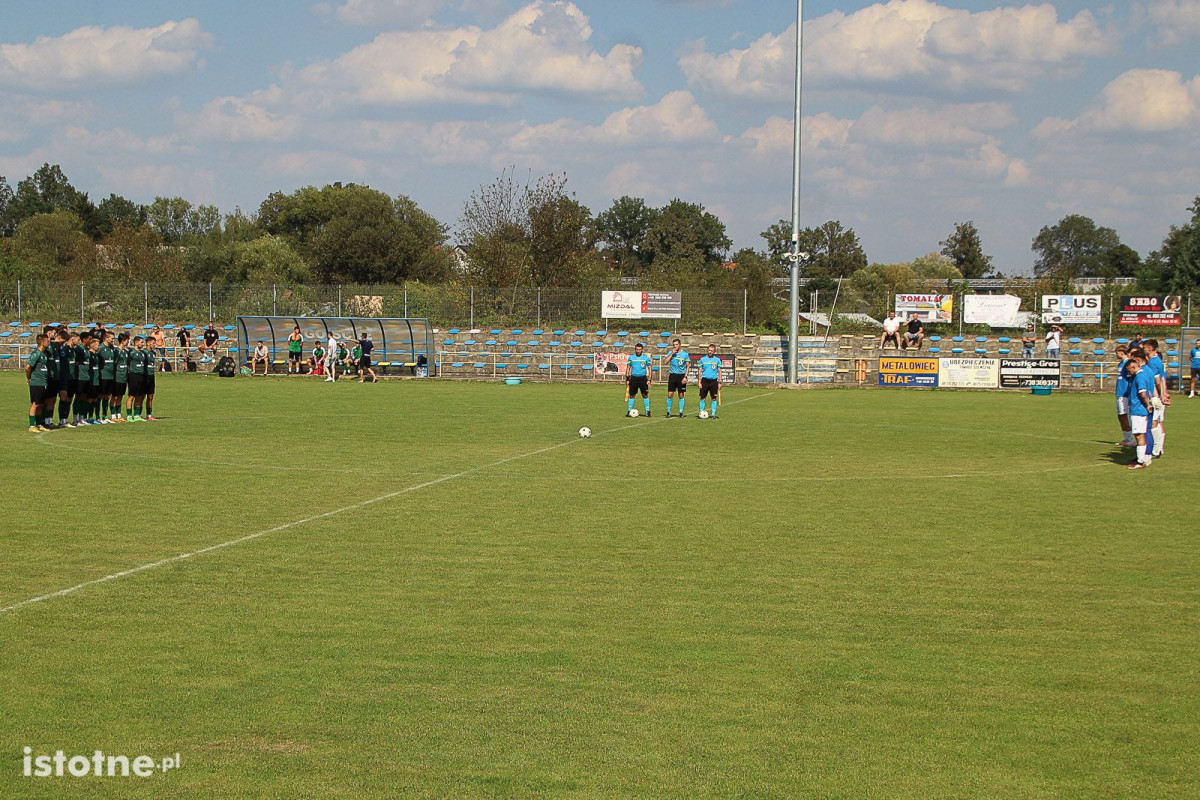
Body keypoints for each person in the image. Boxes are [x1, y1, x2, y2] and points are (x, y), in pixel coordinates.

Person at [1125, 349, 1156, 470]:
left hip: (1138, 409)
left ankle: (1140, 461)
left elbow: (1143, 393)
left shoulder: (1140, 376)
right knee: (1140, 434)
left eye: (1129, 370)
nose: (1129, 373)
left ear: (1134, 367)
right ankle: (1141, 459)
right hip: (1138, 409)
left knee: (1139, 435)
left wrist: (1147, 405)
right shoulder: (1142, 375)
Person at [1143, 339, 1168, 457]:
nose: (1143, 349)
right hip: (1158, 395)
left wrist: (1159, 396)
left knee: (1154, 423)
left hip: (1155, 396)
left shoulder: (1153, 362)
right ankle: (1159, 448)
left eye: (1145, 347)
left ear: (1150, 348)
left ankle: (1156, 449)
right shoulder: (1157, 360)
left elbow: (1157, 381)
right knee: (1158, 421)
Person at [26, 333, 51, 432]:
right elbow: (28, 367)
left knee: (41, 404)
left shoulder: (44, 354)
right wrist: (29, 378)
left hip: (43, 382)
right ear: (42, 342)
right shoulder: (36, 354)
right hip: (36, 383)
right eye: (47, 341)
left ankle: (39, 424)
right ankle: (31, 426)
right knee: (35, 404)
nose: (48, 342)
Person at [625, 342, 652, 417]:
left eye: (639, 349)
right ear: (635, 350)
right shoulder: (631, 357)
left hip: (643, 378)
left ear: (642, 350)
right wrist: (627, 378)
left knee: (645, 395)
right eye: (637, 349)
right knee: (632, 395)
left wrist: (649, 379)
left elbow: (650, 368)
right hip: (634, 378)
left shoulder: (646, 358)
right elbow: (628, 368)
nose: (638, 351)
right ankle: (629, 411)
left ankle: (648, 411)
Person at [1113, 345, 1133, 447]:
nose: (1116, 354)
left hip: (1125, 393)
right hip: (1120, 393)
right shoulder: (1121, 364)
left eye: (1117, 352)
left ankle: (1129, 439)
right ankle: (1126, 438)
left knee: (1124, 415)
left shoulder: (1128, 363)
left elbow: (1130, 379)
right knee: (1121, 416)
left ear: (1122, 352)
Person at [56, 329, 76, 428]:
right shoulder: (62, 349)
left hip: (69, 377)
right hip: (62, 377)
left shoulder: (71, 349)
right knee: (63, 398)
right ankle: (61, 420)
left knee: (68, 398)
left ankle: (65, 420)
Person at [664, 338, 689, 418]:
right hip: (672, 375)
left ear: (680, 345)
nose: (675, 346)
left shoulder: (685, 354)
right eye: (674, 345)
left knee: (681, 394)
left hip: (681, 376)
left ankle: (681, 412)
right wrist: (672, 354)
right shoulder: (670, 353)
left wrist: (685, 377)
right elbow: (665, 362)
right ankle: (668, 412)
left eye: (676, 344)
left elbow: (688, 366)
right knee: (670, 394)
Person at [126, 336, 148, 422]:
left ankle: (136, 415)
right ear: (136, 343)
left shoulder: (143, 353)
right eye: (141, 342)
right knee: (131, 396)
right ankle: (129, 416)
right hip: (133, 375)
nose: (143, 344)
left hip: (141, 375)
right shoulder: (131, 352)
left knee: (139, 396)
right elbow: (127, 362)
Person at [697, 343, 722, 418]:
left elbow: (719, 371)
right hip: (704, 381)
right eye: (709, 350)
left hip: (713, 381)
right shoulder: (703, 359)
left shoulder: (717, 360)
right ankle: (701, 412)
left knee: (714, 398)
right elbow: (700, 371)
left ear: (714, 351)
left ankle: (713, 414)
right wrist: (699, 382)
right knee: (702, 397)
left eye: (712, 351)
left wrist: (720, 382)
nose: (710, 352)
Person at [98, 332, 117, 423]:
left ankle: (105, 416)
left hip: (111, 376)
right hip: (103, 375)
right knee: (100, 396)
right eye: (112, 338)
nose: (113, 340)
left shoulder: (112, 348)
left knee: (107, 396)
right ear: (106, 338)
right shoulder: (101, 348)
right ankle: (97, 416)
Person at [111, 333, 130, 422]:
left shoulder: (125, 352)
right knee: (114, 397)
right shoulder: (116, 351)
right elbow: (114, 365)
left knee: (120, 397)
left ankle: (118, 415)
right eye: (127, 340)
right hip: (117, 377)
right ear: (122, 341)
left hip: (124, 378)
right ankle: (113, 415)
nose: (128, 342)